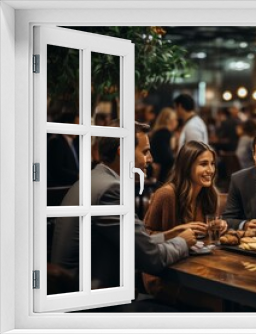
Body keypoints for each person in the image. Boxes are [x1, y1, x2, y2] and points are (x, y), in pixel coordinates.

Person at [51, 122, 197, 290]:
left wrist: (168, 235)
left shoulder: (94, 178)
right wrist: (182, 242)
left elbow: (134, 243)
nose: (150, 159)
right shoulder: (111, 190)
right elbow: (152, 259)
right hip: (94, 300)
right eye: (145, 152)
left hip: (74, 289)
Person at [142, 140, 227, 308]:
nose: (210, 170)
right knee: (219, 300)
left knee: (230, 293)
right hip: (166, 275)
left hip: (197, 268)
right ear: (187, 166)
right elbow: (143, 240)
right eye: (203, 164)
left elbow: (204, 242)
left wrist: (219, 227)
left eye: (212, 164)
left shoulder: (209, 195)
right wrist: (174, 233)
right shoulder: (166, 195)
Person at [150, 107, 178, 185]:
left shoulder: (158, 132)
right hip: (162, 174)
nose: (176, 122)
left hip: (157, 172)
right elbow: (167, 157)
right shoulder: (165, 133)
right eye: (175, 119)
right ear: (168, 120)